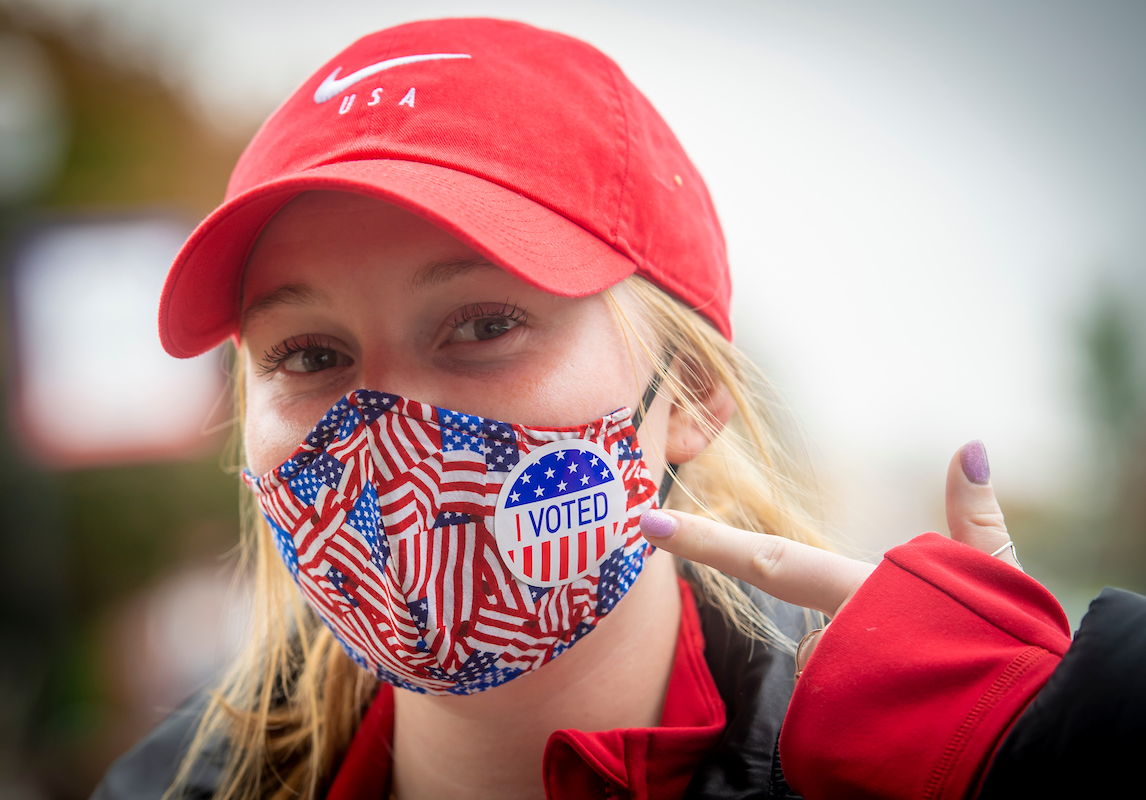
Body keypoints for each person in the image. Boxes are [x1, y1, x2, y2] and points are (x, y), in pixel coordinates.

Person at [93, 16, 1144, 800]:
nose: (389, 430)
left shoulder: (895, 775)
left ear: (688, 394)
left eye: (481, 323)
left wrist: (1069, 749)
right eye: (310, 352)